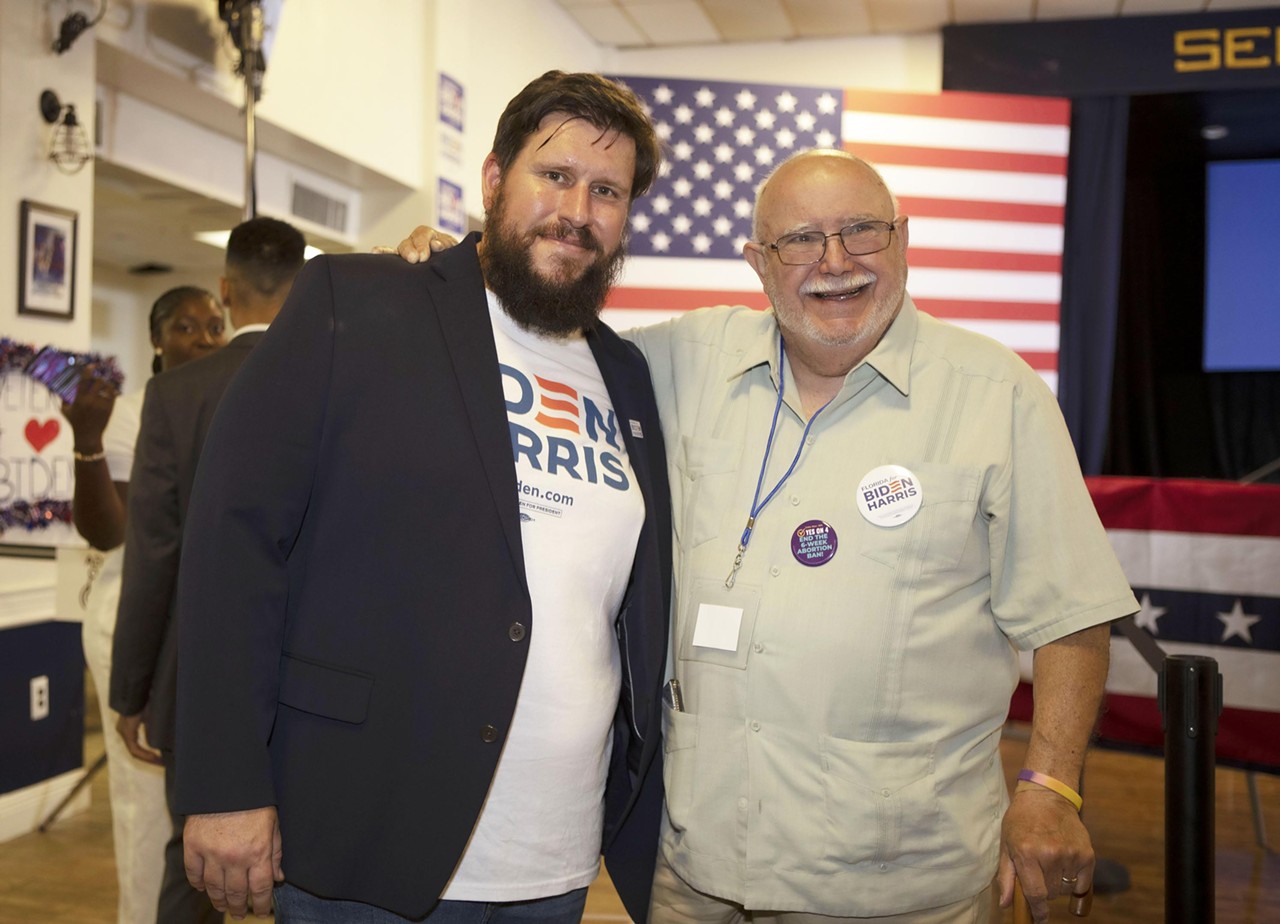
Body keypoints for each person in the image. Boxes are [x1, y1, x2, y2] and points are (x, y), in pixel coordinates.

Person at [398, 149, 1139, 924]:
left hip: (897, 882)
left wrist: (1050, 788)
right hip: (692, 871)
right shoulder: (675, 359)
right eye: (801, 241)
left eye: (862, 231)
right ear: (758, 262)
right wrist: (450, 284)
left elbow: (1073, 617)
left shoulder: (999, 395)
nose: (836, 262)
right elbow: (534, 340)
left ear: (904, 240)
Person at [173, 71, 672, 924]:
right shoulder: (358, 302)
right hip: (366, 845)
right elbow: (234, 540)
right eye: (554, 176)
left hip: (554, 860)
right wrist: (223, 783)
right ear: (491, 180)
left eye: (607, 191)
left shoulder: (626, 374)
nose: (577, 209)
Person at [110, 218, 307, 924]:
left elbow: (156, 555)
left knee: (192, 872)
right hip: (319, 683)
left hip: (198, 677)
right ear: (304, 283)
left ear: (225, 290)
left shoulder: (177, 394)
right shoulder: (340, 381)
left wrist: (132, 688)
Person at [60, 285, 225, 924]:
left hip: (198, 622)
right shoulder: (132, 412)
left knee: (193, 807)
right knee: (146, 803)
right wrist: (89, 441)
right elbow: (110, 531)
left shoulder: (229, 395)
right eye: (186, 327)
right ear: (156, 340)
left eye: (214, 324)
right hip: (139, 617)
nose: (205, 338)